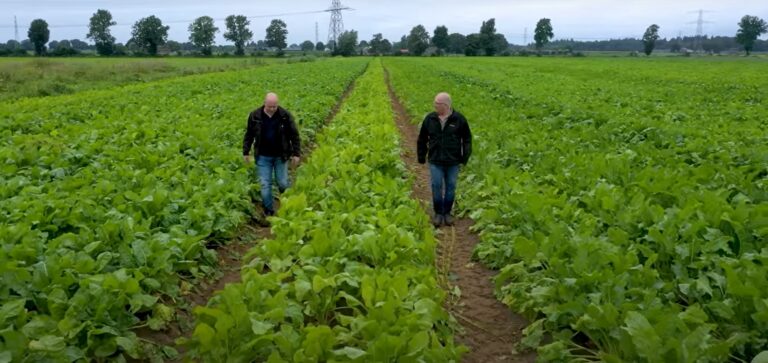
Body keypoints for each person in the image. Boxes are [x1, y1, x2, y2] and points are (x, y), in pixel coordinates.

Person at [417, 92, 472, 227]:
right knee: (436, 186)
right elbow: (422, 138)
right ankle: (438, 213)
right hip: (435, 160)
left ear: (446, 106)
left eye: (437, 104)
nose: (434, 106)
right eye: (435, 103)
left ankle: (447, 212)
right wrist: (421, 155)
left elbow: (467, 139)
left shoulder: (459, 119)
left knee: (451, 187)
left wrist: (465, 157)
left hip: (453, 161)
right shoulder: (430, 119)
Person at [242, 92, 301, 216]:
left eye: (275, 106)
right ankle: (269, 211)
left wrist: (296, 154)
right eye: (270, 106)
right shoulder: (255, 116)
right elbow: (249, 135)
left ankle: (288, 202)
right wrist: (246, 152)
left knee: (283, 183)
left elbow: (294, 135)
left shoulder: (285, 115)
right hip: (263, 157)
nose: (273, 109)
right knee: (264, 185)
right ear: (265, 104)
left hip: (281, 156)